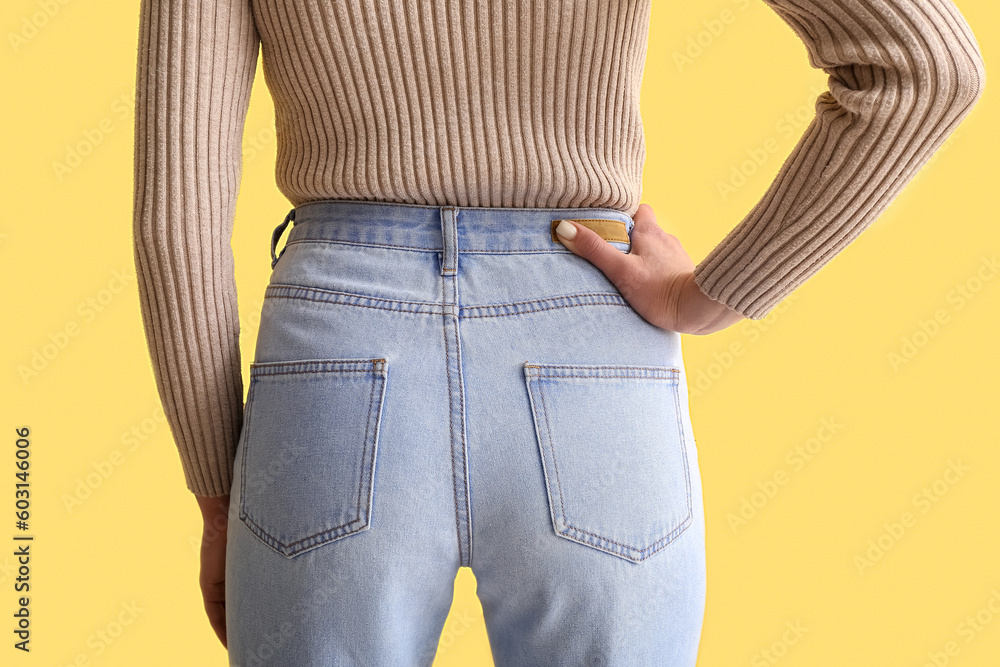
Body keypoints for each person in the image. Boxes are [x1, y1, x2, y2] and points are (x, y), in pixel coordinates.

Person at [131, 1, 985, 664]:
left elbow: (177, 223)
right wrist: (709, 297)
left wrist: (217, 486)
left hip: (336, 368)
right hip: (591, 360)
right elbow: (927, 69)